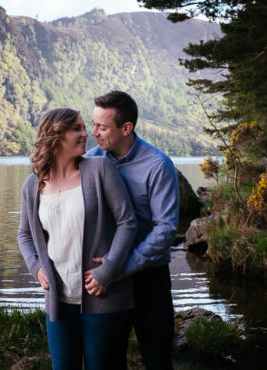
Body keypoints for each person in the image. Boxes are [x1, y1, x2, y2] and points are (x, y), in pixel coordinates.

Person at [17, 108, 137, 369]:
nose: (86, 134)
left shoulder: (100, 169)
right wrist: (36, 268)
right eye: (77, 129)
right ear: (56, 135)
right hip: (58, 299)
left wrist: (108, 269)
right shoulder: (32, 185)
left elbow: (127, 222)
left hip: (103, 294)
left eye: (84, 127)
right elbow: (24, 235)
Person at [86, 90, 180, 370]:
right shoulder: (90, 161)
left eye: (102, 127)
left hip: (149, 278)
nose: (94, 133)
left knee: (157, 358)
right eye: (93, 124)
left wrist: (122, 268)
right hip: (107, 278)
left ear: (126, 128)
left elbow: (165, 230)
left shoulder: (158, 165)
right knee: (108, 360)